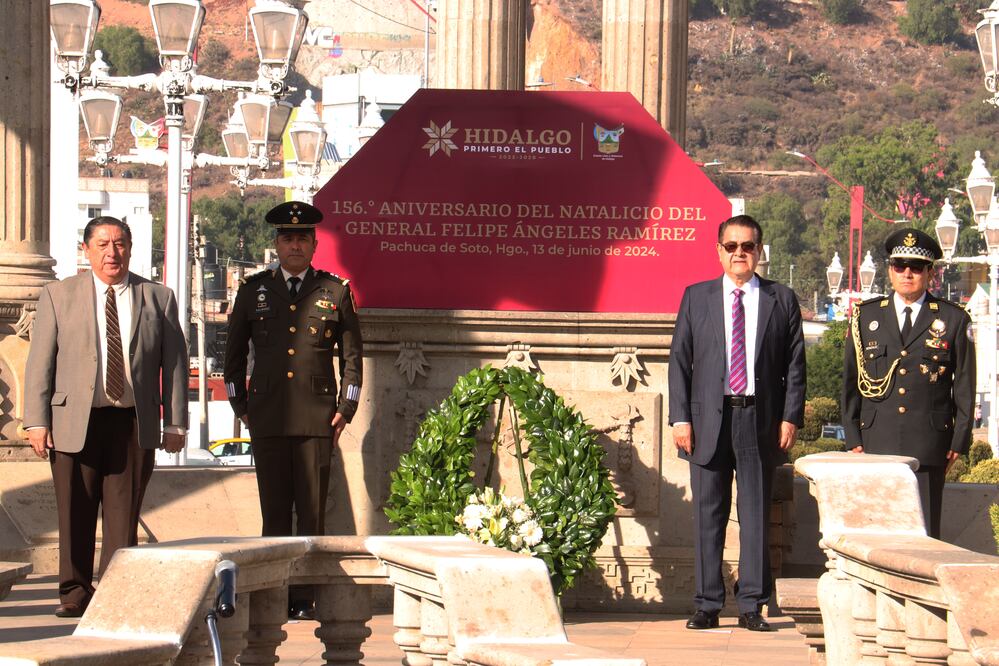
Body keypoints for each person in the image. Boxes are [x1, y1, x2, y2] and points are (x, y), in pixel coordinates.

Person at [23, 216, 188, 618]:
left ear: (130, 248)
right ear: (86, 250)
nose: (112, 253)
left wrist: (175, 422)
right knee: (74, 511)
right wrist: (36, 421)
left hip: (132, 422)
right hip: (74, 421)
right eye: (102, 244)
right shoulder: (59, 295)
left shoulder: (158, 297)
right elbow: (40, 362)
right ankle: (74, 592)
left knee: (123, 515)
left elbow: (175, 363)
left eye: (119, 244)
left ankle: (116, 593)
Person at [224, 200, 363, 620]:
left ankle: (302, 597)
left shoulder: (335, 292)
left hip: (316, 419)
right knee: (274, 513)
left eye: (303, 238)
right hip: (266, 415)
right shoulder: (253, 291)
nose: (295, 246)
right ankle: (273, 593)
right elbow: (233, 358)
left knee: (312, 514)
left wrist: (346, 407)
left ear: (315, 244)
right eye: (288, 238)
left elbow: (352, 358)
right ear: (277, 245)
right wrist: (240, 404)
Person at [668, 214, 805, 632]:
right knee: (708, 514)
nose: (739, 253)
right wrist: (680, 418)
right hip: (707, 421)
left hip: (759, 420)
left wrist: (790, 416)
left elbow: (795, 365)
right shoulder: (697, 297)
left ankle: (751, 605)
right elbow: (680, 362)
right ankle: (707, 604)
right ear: (719, 251)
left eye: (747, 246)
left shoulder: (782, 299)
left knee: (755, 513)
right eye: (731, 246)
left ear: (759, 251)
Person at [842, 227, 975, 539]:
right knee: (876, 533)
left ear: (930, 273)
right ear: (890, 270)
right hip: (876, 442)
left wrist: (958, 441)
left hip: (928, 444)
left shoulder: (953, 319)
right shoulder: (866, 317)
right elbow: (850, 382)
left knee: (924, 536)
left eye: (916, 267)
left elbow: (964, 385)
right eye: (900, 266)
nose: (907, 273)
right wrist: (852, 436)